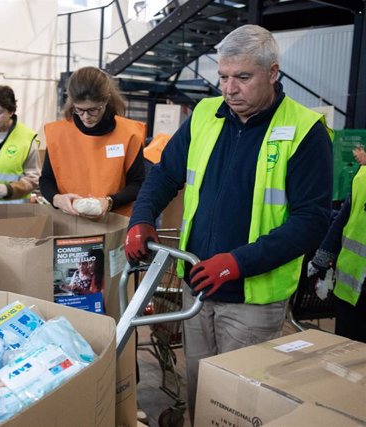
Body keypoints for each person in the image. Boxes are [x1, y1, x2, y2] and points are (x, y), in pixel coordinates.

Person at [124, 25, 333, 422]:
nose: (229, 89)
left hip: (253, 300)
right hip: (198, 288)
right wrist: (142, 218)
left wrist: (237, 262)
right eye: (223, 77)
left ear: (272, 73)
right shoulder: (205, 115)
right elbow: (165, 174)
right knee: (200, 388)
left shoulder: (305, 132)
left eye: (242, 77)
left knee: (238, 404)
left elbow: (312, 220)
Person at [40, 66, 146, 218]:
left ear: (106, 100)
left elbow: (138, 183)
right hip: (68, 222)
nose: (86, 117)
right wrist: (56, 199)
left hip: (113, 223)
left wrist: (109, 202)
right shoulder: (58, 134)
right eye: (79, 109)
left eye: (93, 110)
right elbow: (46, 179)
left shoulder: (129, 134)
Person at [308, 164, 366, 343]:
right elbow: (343, 219)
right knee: (346, 359)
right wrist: (321, 260)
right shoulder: (362, 175)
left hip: (353, 291)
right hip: (349, 292)